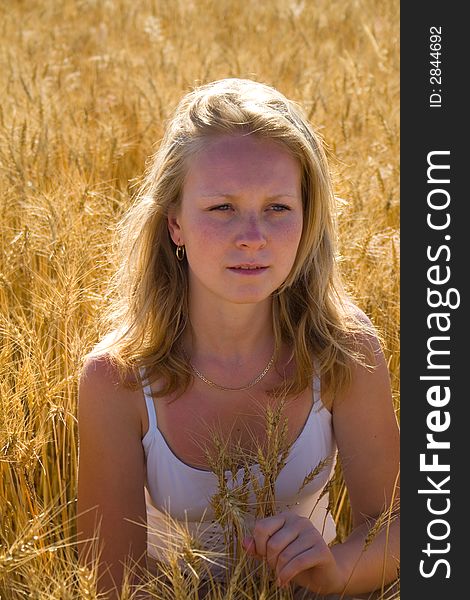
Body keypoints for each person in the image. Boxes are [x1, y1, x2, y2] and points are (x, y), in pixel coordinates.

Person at [76, 78, 400, 599]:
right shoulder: (115, 378)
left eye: (277, 207)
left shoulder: (344, 350)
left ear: (307, 218)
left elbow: (400, 524)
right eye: (222, 207)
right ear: (174, 222)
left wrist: (336, 567)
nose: (252, 235)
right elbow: (111, 581)